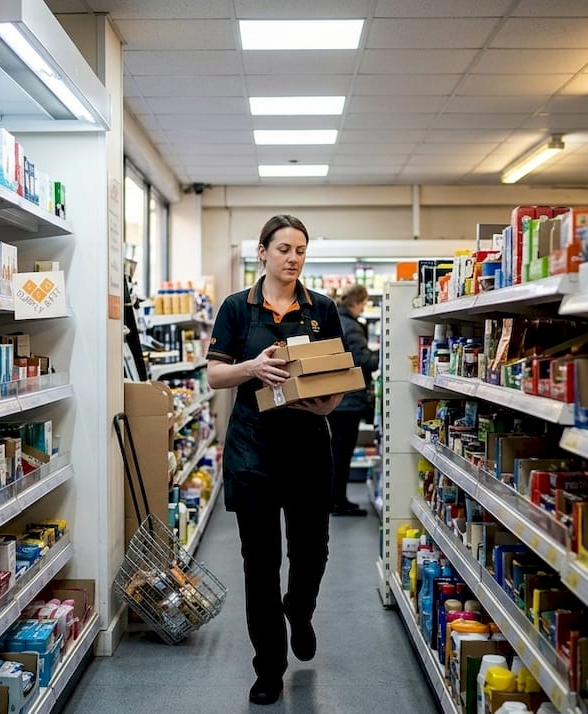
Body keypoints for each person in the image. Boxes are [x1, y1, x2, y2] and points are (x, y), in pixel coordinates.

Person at [206, 214, 345, 706]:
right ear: (262, 252)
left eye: (301, 250)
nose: (293, 258)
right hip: (253, 451)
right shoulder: (236, 308)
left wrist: (327, 404)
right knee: (260, 564)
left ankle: (299, 610)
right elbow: (215, 376)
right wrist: (252, 367)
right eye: (284, 249)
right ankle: (269, 667)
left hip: (308, 448)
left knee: (312, 553)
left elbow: (336, 375)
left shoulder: (321, 309)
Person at [329, 283, 378, 516]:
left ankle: (333, 499)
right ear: (356, 302)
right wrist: (384, 354)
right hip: (349, 399)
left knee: (335, 452)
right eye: (364, 303)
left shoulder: (335, 320)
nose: (363, 308)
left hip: (335, 396)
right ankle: (338, 501)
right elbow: (364, 361)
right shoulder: (352, 327)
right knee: (342, 453)